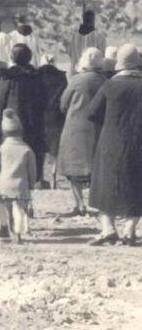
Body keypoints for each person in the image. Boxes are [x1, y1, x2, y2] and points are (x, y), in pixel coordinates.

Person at [86, 44, 142, 246]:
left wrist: (110, 122)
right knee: (137, 185)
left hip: (111, 140)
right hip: (139, 142)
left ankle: (108, 228)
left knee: (104, 186)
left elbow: (92, 112)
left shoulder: (110, 85)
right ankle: (130, 230)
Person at [56, 47, 105, 217]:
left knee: (73, 168)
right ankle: (95, 205)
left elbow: (63, 105)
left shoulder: (76, 81)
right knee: (96, 167)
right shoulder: (104, 81)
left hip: (75, 127)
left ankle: (80, 204)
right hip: (98, 128)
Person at [0, 43, 47, 180]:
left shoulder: (9, 77)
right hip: (33, 118)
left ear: (12, 57)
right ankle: (35, 176)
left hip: (14, 118)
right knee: (33, 148)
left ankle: (12, 174)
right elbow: (43, 98)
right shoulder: (36, 75)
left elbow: (1, 100)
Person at [0, 109, 37, 244]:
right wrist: (31, 184)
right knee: (18, 208)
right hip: (21, 184)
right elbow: (32, 170)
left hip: (4, 184)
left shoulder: (1, 149)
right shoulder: (27, 149)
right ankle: (17, 232)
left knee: (1, 204)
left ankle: (4, 225)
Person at [36, 54, 68, 189]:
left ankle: (40, 177)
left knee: (40, 148)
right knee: (55, 149)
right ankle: (54, 176)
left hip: (39, 114)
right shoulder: (61, 76)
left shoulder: (36, 75)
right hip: (56, 115)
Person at [68, 9, 105, 75]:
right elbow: (102, 56)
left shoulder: (74, 37)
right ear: (93, 20)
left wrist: (72, 70)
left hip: (78, 71)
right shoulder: (99, 36)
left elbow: (72, 57)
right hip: (93, 73)